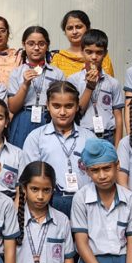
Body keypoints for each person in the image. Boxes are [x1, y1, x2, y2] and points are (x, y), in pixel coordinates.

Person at [11, 161, 77, 263]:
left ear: (53, 190)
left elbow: (68, 261)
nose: (40, 196)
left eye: (46, 190)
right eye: (34, 189)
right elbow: (9, 262)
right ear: (24, 189)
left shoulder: (62, 220)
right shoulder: (12, 219)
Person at [22, 81, 94, 217]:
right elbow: (28, 178)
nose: (62, 112)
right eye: (56, 106)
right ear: (47, 106)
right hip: (50, 202)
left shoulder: (89, 138)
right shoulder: (36, 137)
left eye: (68, 106)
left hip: (85, 202)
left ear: (77, 106)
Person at [7, 26, 66, 148]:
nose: (36, 48)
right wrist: (25, 85)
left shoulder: (57, 73)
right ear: (24, 45)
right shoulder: (17, 73)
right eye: (31, 44)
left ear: (47, 45)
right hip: (23, 118)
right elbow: (12, 108)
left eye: (41, 44)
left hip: (49, 118)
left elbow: (62, 102)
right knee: (22, 157)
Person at [68, 29, 124, 146]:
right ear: (82, 52)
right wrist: (89, 87)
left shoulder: (113, 83)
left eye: (99, 52)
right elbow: (77, 112)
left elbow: (118, 117)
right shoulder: (73, 80)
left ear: (105, 53)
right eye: (89, 52)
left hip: (108, 136)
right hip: (84, 135)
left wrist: (118, 146)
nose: (94, 57)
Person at [50, 10, 114, 77]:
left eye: (78, 27)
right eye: (70, 28)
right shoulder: (58, 58)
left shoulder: (101, 56)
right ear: (65, 32)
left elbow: (109, 84)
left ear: (88, 28)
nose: (74, 32)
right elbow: (53, 86)